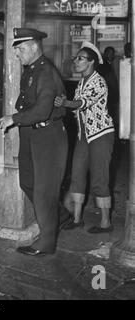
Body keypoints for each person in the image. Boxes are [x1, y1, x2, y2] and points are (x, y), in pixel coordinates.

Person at [0, 28, 68, 256]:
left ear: (32, 46)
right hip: (31, 134)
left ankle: (46, 243)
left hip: (48, 137)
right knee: (27, 182)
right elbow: (24, 102)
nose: (17, 54)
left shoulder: (46, 72)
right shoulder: (32, 70)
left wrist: (13, 119)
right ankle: (62, 216)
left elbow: (42, 110)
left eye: (19, 49)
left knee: (44, 192)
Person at [55, 42, 115, 234]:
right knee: (78, 175)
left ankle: (106, 222)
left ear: (91, 62)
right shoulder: (82, 82)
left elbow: (83, 102)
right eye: (76, 58)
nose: (76, 61)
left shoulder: (98, 82)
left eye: (80, 58)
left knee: (100, 178)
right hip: (84, 136)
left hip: (101, 135)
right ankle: (77, 218)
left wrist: (66, 102)